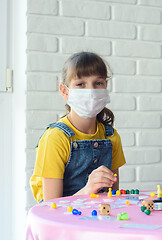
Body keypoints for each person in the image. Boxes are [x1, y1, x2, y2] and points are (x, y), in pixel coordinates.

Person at [30, 52, 126, 202]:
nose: (91, 91)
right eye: (80, 84)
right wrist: (88, 189)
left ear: (105, 86)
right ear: (65, 91)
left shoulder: (111, 136)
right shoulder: (55, 139)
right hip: (62, 223)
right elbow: (51, 207)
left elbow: (113, 198)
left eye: (98, 83)